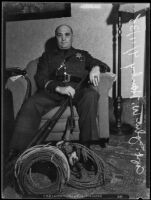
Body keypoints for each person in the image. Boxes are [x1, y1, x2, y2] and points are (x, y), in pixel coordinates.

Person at [7, 24, 110, 161]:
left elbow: (103, 65)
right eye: (59, 35)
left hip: (77, 91)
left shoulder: (83, 55)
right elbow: (40, 78)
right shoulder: (47, 56)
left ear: (72, 36)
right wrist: (58, 88)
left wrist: (95, 67)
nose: (63, 39)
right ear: (56, 37)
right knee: (32, 103)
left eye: (67, 34)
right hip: (53, 91)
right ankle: (19, 151)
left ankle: (86, 148)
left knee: (91, 95)